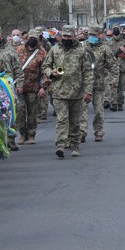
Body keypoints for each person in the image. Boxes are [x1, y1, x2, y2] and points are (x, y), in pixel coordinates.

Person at [43, 25, 93, 158]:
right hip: (59, 92)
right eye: (64, 36)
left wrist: (88, 91)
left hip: (76, 92)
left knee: (75, 121)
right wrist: (50, 73)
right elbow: (45, 66)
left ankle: (74, 145)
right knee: (62, 119)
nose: (66, 38)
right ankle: (60, 144)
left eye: (69, 36)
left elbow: (88, 72)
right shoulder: (55, 49)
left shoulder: (81, 51)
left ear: (74, 37)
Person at [80, 25, 118, 142]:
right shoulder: (81, 47)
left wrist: (113, 81)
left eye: (94, 35)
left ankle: (99, 131)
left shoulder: (104, 48)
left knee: (98, 111)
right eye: (90, 35)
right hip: (83, 84)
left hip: (98, 83)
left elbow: (113, 65)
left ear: (99, 35)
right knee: (82, 110)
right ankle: (81, 132)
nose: (92, 37)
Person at [14, 29, 48, 145]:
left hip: (33, 87)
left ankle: (31, 134)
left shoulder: (42, 53)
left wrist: (43, 87)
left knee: (32, 112)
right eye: (30, 38)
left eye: (35, 39)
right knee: (20, 111)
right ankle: (22, 134)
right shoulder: (18, 50)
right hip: (19, 87)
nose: (32, 40)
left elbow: (45, 71)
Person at [105, 24, 125, 111]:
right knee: (113, 86)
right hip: (112, 68)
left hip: (122, 67)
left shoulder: (124, 42)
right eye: (114, 29)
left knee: (121, 87)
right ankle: (113, 103)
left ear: (120, 30)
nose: (115, 30)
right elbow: (105, 55)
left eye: (117, 28)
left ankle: (120, 103)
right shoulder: (108, 43)